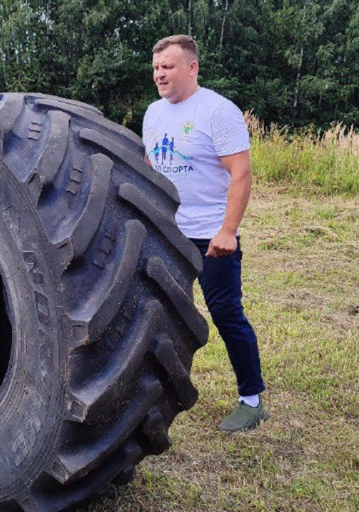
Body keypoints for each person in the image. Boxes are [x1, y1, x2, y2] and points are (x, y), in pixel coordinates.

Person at [142, 34, 268, 432]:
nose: (160, 75)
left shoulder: (217, 111)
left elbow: (241, 174)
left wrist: (228, 231)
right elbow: (150, 173)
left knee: (227, 314)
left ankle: (252, 400)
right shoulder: (152, 114)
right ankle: (155, 395)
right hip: (167, 236)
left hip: (211, 238)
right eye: (157, 68)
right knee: (155, 317)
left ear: (192, 68)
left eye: (169, 67)